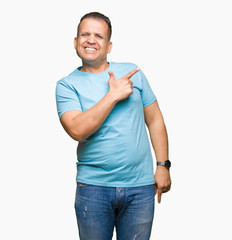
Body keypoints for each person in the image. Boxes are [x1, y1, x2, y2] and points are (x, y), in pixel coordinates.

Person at [55, 12, 171, 240]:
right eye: (85, 34)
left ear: (108, 46)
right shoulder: (66, 85)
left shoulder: (133, 73)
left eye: (98, 36)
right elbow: (77, 129)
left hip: (140, 188)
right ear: (75, 42)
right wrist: (113, 96)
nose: (90, 40)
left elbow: (155, 118)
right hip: (93, 188)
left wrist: (163, 165)